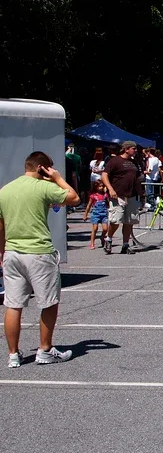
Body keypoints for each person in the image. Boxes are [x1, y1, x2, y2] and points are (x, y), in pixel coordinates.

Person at [1, 152, 80, 367]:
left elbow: (1, 226)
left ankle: (13, 354)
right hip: (38, 252)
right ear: (41, 168)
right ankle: (44, 349)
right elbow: (74, 197)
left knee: (13, 304)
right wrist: (57, 178)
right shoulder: (44, 187)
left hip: (12, 252)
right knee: (49, 302)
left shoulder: (5, 190)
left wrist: (2, 252)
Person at [101, 140, 144, 255]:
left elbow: (137, 179)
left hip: (132, 196)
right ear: (126, 149)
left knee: (129, 221)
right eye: (133, 148)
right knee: (115, 221)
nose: (135, 151)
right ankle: (108, 239)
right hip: (117, 195)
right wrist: (110, 189)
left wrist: (142, 196)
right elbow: (104, 175)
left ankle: (125, 245)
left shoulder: (134, 163)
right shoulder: (115, 161)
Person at [83, 181, 109, 250]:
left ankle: (102, 236)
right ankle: (92, 243)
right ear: (96, 187)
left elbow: (109, 203)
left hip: (104, 214)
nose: (101, 188)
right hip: (96, 214)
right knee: (95, 228)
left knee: (105, 229)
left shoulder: (105, 195)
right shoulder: (93, 196)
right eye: (100, 186)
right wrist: (85, 214)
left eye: (102, 186)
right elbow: (89, 206)